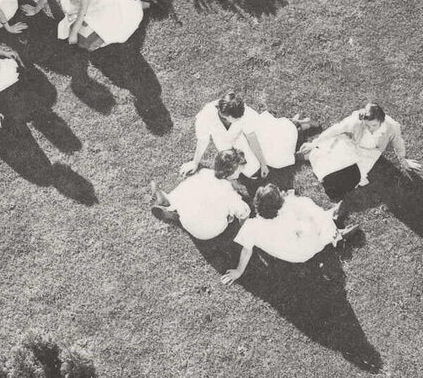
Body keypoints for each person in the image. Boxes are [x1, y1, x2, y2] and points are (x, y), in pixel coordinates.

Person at [222, 185, 358, 285]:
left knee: (308, 214)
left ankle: (332, 222)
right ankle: (335, 232)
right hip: (307, 247)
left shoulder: (251, 226)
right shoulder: (288, 212)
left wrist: (238, 271)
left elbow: (246, 251)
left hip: (296, 253)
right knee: (309, 210)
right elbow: (307, 224)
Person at [307, 101, 423, 199]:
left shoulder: (392, 126)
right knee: (329, 163)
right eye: (367, 125)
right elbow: (336, 129)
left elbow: (398, 142)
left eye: (374, 125)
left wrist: (403, 159)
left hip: (370, 153)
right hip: (353, 145)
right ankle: (310, 157)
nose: (370, 129)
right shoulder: (356, 120)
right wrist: (314, 143)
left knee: (347, 180)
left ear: (381, 121)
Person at [183, 92, 304, 180]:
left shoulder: (244, 112)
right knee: (251, 172)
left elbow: (252, 138)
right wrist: (195, 162)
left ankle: (296, 126)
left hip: (248, 136)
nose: (240, 119)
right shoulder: (206, 116)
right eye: (236, 118)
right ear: (224, 115)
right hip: (226, 143)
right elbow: (203, 140)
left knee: (276, 158)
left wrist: (263, 164)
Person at [148, 149, 251, 241]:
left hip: (187, 221)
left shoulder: (205, 173)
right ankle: (176, 210)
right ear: (231, 173)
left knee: (191, 187)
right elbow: (244, 214)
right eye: (239, 170)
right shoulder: (230, 194)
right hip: (207, 232)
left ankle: (170, 201)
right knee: (243, 209)